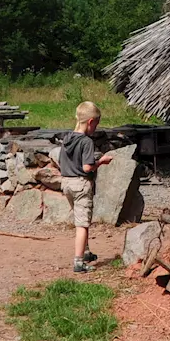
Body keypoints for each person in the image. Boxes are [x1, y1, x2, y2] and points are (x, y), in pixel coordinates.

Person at [58, 101, 113, 273]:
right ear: (90, 122)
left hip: (66, 183)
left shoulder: (67, 138)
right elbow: (87, 167)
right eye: (96, 124)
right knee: (83, 224)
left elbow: (62, 161)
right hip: (80, 184)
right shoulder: (86, 141)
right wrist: (101, 162)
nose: (96, 128)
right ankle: (78, 262)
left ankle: (86, 251)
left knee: (80, 217)